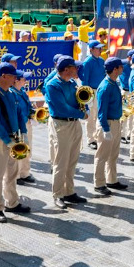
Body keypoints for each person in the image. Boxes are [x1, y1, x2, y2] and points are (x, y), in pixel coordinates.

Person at [0, 63, 30, 223]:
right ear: (3, 76)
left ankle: (12, 202)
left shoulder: (11, 93)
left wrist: (23, 132)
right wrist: (8, 141)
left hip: (13, 138)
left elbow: (18, 114)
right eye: (12, 76)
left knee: (12, 173)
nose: (15, 78)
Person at [44, 56, 88, 209]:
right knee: (61, 162)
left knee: (72, 160)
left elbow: (77, 102)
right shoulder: (52, 85)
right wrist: (82, 114)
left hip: (74, 123)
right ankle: (57, 194)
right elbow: (61, 108)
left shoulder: (71, 83)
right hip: (61, 124)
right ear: (67, 69)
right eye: (74, 67)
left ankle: (69, 191)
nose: (77, 70)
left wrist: (84, 106)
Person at [93, 58, 128, 196]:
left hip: (115, 122)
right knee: (102, 155)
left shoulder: (113, 83)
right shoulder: (105, 86)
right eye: (120, 67)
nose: (122, 68)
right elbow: (101, 112)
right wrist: (106, 129)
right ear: (115, 69)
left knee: (113, 154)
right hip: (107, 124)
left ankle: (111, 179)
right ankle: (99, 183)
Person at [79, 40, 106, 149]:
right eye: (98, 48)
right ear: (91, 50)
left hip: (100, 90)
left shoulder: (102, 61)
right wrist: (85, 96)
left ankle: (98, 136)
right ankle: (91, 139)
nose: (100, 50)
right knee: (90, 116)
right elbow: (85, 81)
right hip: (91, 91)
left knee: (99, 114)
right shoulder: (87, 62)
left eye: (101, 48)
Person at [12, 69, 36, 186]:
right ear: (16, 80)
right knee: (18, 150)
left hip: (26, 123)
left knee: (27, 148)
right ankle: (16, 175)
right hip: (17, 126)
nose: (25, 81)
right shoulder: (11, 93)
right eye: (23, 79)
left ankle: (25, 173)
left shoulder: (22, 91)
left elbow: (28, 105)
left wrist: (32, 113)